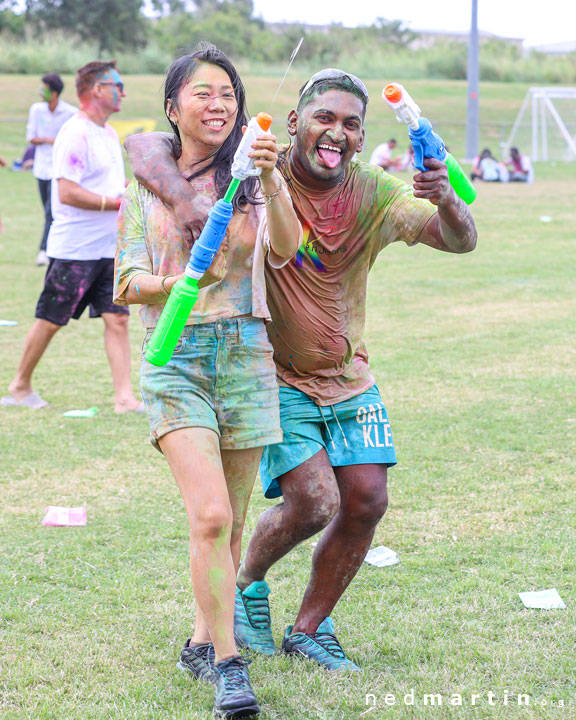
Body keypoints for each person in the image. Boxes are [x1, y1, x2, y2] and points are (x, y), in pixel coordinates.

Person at [125, 67, 477, 673]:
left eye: (351, 125)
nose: (336, 133)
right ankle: (248, 581)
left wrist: (447, 197)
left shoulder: (376, 190)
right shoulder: (261, 168)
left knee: (366, 500)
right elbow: (146, 143)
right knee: (313, 501)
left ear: (363, 137)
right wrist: (185, 200)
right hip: (273, 374)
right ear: (294, 123)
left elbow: (461, 241)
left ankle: (309, 628)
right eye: (324, 118)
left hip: (349, 374)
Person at [115, 45, 300, 718]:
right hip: (178, 358)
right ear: (173, 107)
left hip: (249, 353)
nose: (218, 103)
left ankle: (201, 639)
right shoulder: (146, 183)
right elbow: (127, 280)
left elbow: (287, 247)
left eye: (228, 93)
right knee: (212, 514)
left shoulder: (252, 177)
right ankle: (229, 665)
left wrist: (272, 178)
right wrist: (181, 281)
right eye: (202, 92)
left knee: (233, 520)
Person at [1, 60, 142, 413]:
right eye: (117, 85)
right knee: (51, 319)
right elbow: (67, 192)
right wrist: (114, 203)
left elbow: (110, 185)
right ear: (97, 90)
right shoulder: (74, 133)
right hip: (75, 250)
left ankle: (124, 399)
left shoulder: (108, 133)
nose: (123, 91)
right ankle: (19, 386)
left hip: (108, 248)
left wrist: (136, 191)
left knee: (119, 318)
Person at [26, 73, 76, 265]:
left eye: (44, 88)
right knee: (47, 210)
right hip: (41, 167)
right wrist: (51, 140)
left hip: (59, 168)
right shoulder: (36, 110)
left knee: (51, 211)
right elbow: (31, 137)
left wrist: (49, 141)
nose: (41, 91)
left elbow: (69, 140)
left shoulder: (69, 112)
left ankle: (44, 250)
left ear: (54, 92)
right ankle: (54, 248)